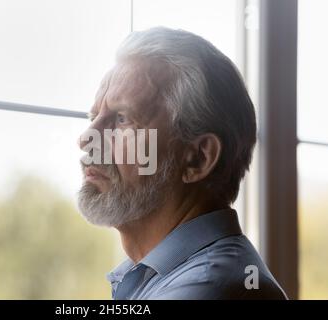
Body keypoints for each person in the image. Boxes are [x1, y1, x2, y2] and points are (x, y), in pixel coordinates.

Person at [77, 27, 287, 300]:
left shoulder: (209, 287)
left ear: (198, 159)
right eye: (94, 117)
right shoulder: (164, 274)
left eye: (122, 119)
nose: (86, 139)